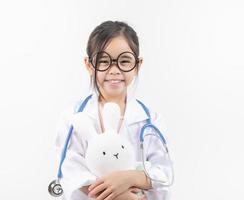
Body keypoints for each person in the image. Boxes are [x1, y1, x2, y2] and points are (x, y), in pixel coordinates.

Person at [54, 21, 173, 200]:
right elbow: (72, 172)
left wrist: (129, 177)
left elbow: (164, 173)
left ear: (138, 64)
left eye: (124, 61)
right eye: (103, 61)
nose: (114, 70)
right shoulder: (73, 118)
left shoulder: (151, 121)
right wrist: (123, 196)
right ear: (89, 65)